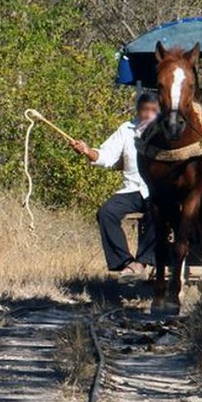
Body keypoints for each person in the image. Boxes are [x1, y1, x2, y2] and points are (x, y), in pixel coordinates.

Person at [69, 93, 159, 279]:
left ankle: (142, 261)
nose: (148, 114)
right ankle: (125, 262)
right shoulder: (127, 129)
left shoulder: (166, 131)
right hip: (133, 189)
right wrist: (87, 151)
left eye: (153, 110)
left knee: (158, 210)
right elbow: (107, 156)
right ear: (138, 111)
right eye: (144, 110)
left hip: (158, 189)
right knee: (106, 212)